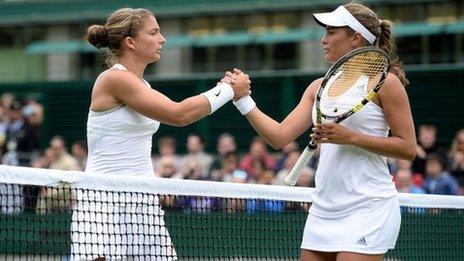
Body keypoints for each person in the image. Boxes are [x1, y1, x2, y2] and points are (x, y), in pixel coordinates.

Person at [226, 3, 416, 261]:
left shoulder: (386, 83)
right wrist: (243, 100)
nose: (323, 40)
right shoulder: (319, 87)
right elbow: (279, 136)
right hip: (324, 209)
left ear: (355, 38)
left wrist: (351, 138)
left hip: (368, 206)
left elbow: (407, 148)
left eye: (331, 32)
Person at [72, 7, 251, 260]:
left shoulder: (143, 86)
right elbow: (179, 114)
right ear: (130, 42)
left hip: (143, 203)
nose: (162, 39)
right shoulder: (113, 79)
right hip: (103, 202)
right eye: (154, 32)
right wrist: (228, 89)